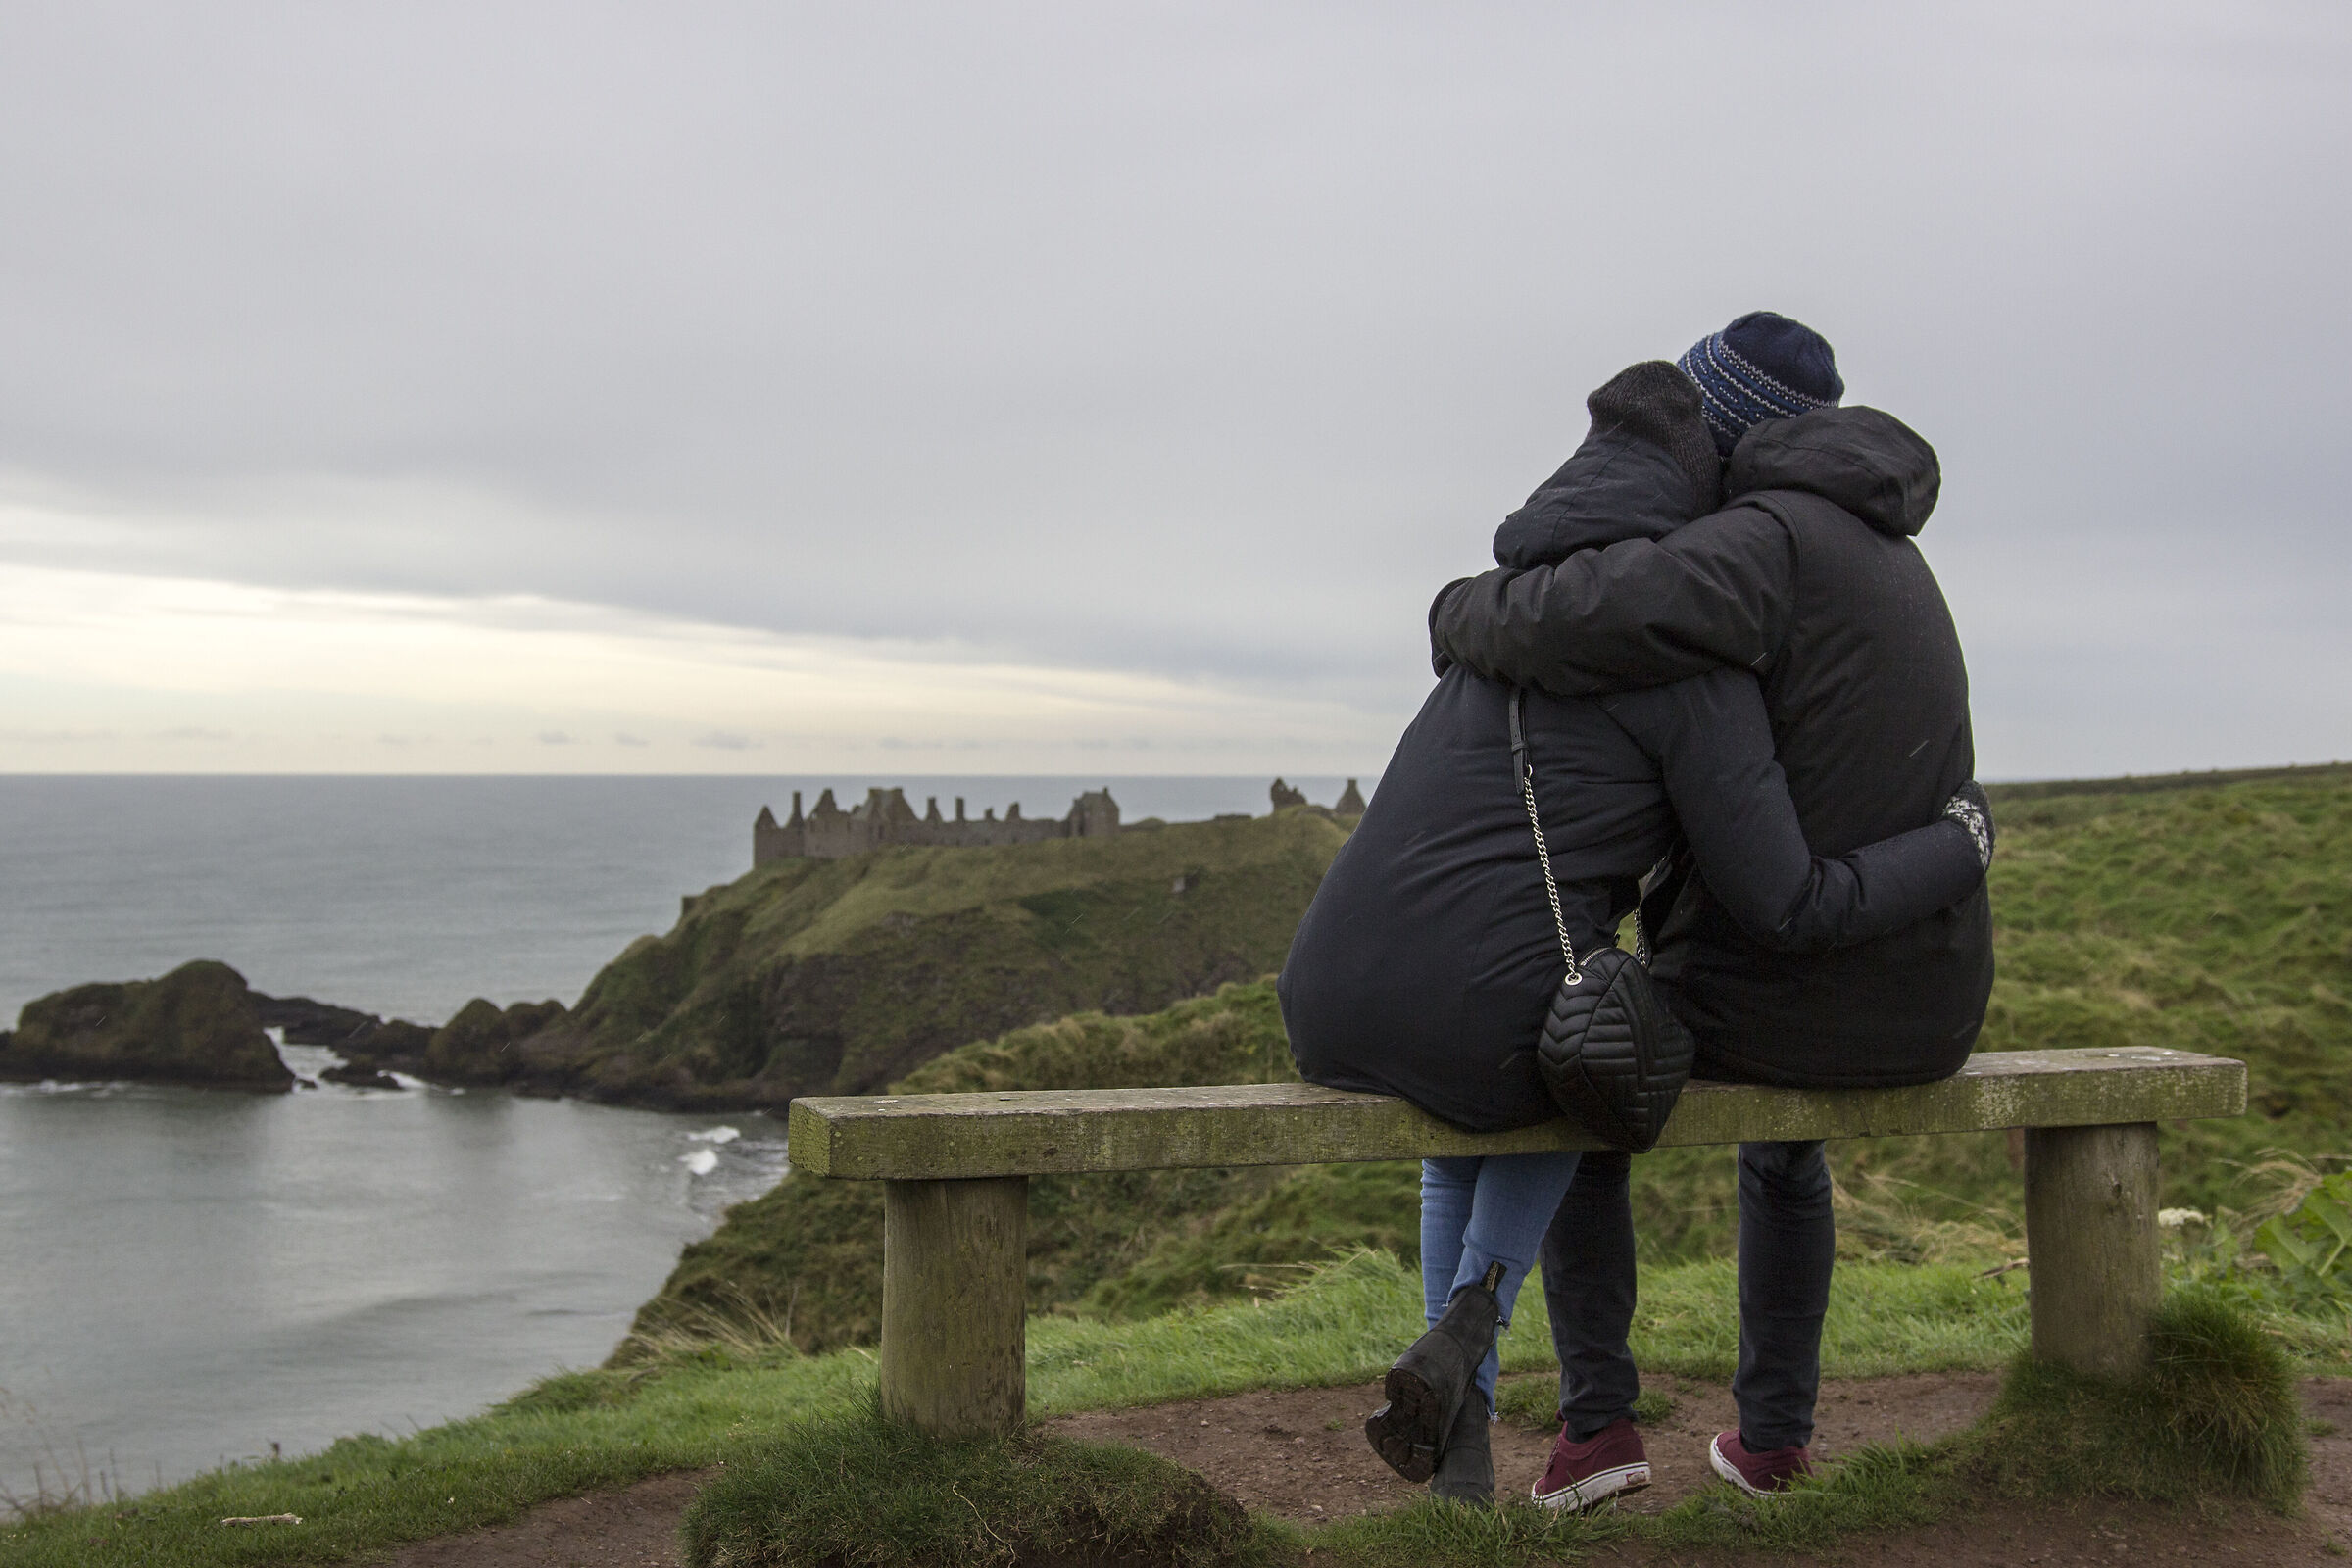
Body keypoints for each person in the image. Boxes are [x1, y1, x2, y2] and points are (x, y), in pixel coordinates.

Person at [1278, 347, 1994, 1504]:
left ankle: (1575, 1425)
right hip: (1919, 983)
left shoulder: (1736, 552)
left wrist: (1461, 605)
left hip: (1328, 989)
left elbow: (1595, 609)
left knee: (1562, 1076)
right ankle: (1756, 1436)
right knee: (1609, 1068)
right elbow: (1778, 874)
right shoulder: (1888, 557)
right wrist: (1963, 844)